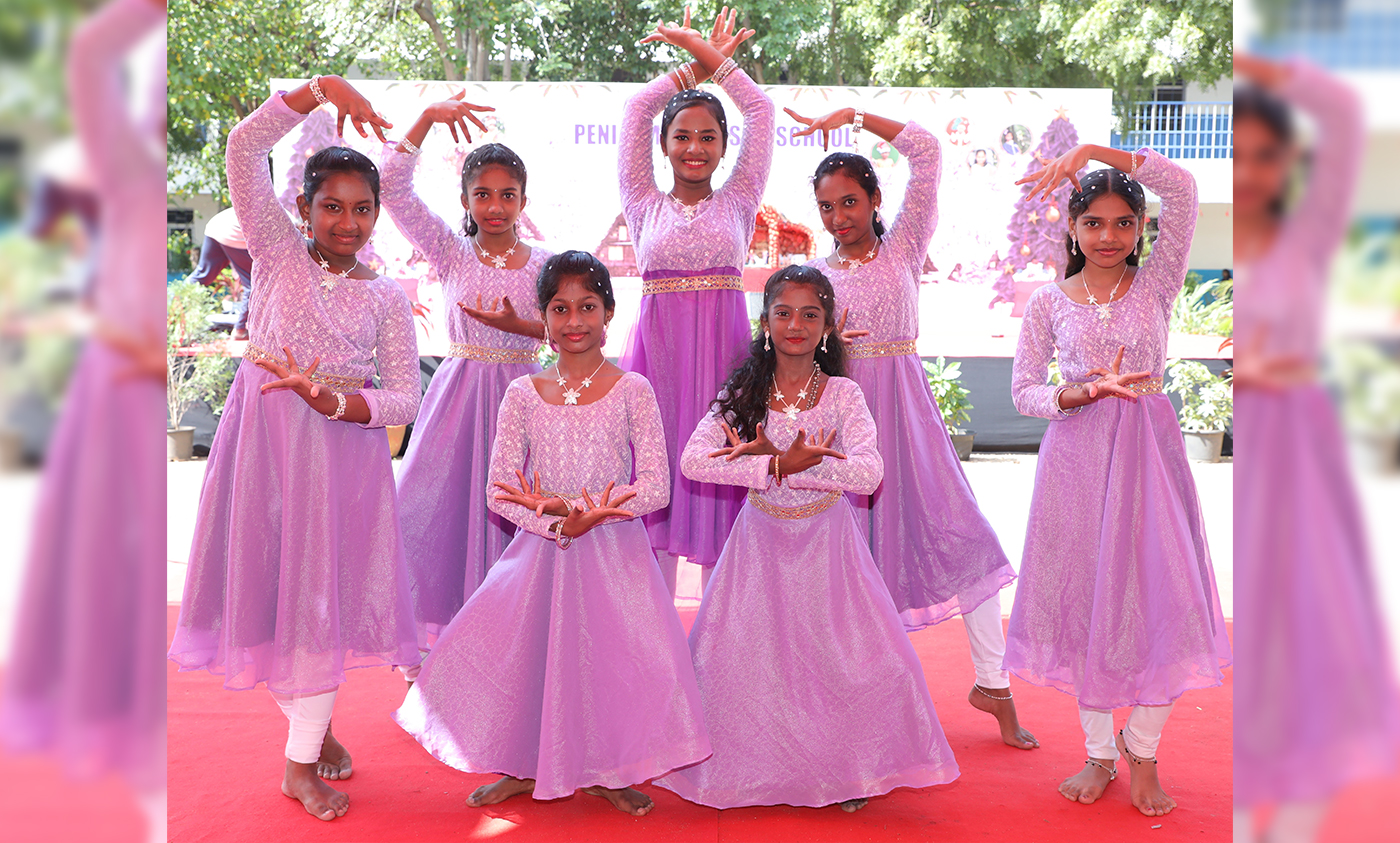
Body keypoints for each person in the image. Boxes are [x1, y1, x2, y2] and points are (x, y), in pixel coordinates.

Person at [166, 73, 422, 822]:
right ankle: (312, 738)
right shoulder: (277, 251)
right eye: (331, 206)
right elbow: (244, 147)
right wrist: (319, 89)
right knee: (272, 588)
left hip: (343, 457)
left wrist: (336, 402)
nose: (348, 222)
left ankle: (300, 760)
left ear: (378, 214)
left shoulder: (387, 297)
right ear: (303, 210)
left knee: (323, 599)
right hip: (266, 445)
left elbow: (404, 397)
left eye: (362, 208)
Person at [394, 251, 708, 817]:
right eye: (560, 308)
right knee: (527, 658)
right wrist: (557, 522)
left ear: (609, 312)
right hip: (540, 554)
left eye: (587, 306)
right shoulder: (522, 392)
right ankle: (521, 766)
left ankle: (608, 770)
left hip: (615, 555)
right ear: (542, 317)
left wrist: (592, 514)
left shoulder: (633, 388)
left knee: (611, 661)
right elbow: (499, 490)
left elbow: (657, 487)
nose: (574, 321)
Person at [655, 266, 958, 810]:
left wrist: (796, 467)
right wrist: (772, 467)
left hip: (828, 545)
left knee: (846, 659)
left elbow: (869, 472)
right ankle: (752, 768)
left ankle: (849, 769)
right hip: (758, 546)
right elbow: (693, 461)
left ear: (827, 326)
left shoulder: (842, 394)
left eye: (809, 314)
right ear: (765, 322)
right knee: (744, 662)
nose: (795, 325)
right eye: (784, 313)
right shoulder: (743, 392)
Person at [785, 106, 1032, 749]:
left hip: (908, 417)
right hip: (843, 426)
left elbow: (926, 150)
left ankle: (994, 683)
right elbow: (787, 347)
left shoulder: (903, 247)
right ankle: (854, 704)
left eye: (849, 202)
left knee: (968, 540)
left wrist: (854, 116)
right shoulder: (815, 280)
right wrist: (827, 339)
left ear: (874, 200)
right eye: (826, 207)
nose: (838, 218)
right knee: (853, 563)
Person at [1008, 142, 1230, 817]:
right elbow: (1024, 390)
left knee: (1171, 600)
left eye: (1124, 222)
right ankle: (1099, 751)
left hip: (1149, 458)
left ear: (1141, 228)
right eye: (1094, 222)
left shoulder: (1157, 283)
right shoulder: (1048, 303)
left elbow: (1183, 188)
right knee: (1085, 599)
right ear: (1073, 228)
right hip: (1077, 461)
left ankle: (1144, 747)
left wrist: (1097, 154)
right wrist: (1077, 393)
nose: (1108, 236)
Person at [1, 1, 167, 840]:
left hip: (146, 383)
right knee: (102, 567)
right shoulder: (129, 168)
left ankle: (150, 760)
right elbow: (91, 53)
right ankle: (123, 747)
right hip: (115, 391)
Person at [1232, 52, 1400, 843]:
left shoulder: (1308, 235)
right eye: (1237, 153)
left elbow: (1342, 111)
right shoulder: (1190, 252)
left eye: (1266, 154)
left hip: (1299, 450)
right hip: (1246, 453)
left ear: (1288, 163)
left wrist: (1258, 66)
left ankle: (1294, 817)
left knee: (1311, 625)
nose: (1249, 171)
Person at [380, 93, 549, 662]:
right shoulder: (450, 251)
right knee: (434, 516)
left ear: (524, 199)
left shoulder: (547, 264)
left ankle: (511, 643)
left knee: (521, 515)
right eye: (483, 195)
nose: (495, 207)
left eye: (507, 195)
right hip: (458, 400)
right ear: (465, 199)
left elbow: (574, 331)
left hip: (527, 401)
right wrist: (427, 118)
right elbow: (392, 188)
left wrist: (523, 327)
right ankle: (440, 652)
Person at [618, 7, 772, 592]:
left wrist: (716, 64)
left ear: (725, 146)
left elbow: (761, 110)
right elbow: (638, 109)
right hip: (656, 364)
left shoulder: (739, 199)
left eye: (708, 137)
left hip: (724, 365)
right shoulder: (642, 201)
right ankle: (654, 638)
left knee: (722, 481)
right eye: (682, 136)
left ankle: (719, 634)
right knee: (653, 488)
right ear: (663, 144)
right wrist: (693, 62)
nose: (694, 147)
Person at [187, 207, 255, 339]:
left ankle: (169, 307)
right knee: (253, 283)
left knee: (203, 276)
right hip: (234, 231)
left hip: (216, 225)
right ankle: (240, 330)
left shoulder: (281, 213)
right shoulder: (289, 224)